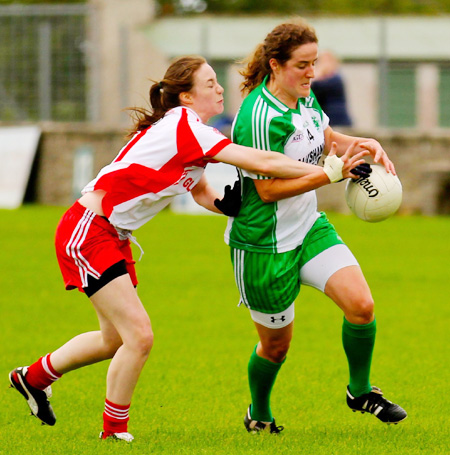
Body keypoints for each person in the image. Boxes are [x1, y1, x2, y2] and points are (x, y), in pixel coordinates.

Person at [8, 55, 367, 443]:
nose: (219, 88)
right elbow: (259, 160)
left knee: (115, 340)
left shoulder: (188, 130)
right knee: (139, 337)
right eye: (209, 83)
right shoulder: (185, 125)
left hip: (111, 235)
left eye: (217, 81)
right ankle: (113, 434)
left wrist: (222, 205)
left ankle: (33, 377)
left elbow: (199, 191)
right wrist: (327, 172)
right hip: (89, 230)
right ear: (187, 97)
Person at [224, 20, 407, 433]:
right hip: (264, 244)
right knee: (276, 346)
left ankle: (360, 392)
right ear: (276, 65)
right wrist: (331, 175)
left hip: (308, 226)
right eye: (302, 65)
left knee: (361, 307)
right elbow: (267, 192)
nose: (312, 72)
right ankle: (260, 413)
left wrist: (361, 143)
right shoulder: (257, 115)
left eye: (315, 62)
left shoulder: (305, 100)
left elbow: (326, 141)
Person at [311, 50, 352, 127]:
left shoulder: (335, 79)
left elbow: (314, 85)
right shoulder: (325, 79)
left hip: (338, 121)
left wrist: (319, 71)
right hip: (326, 120)